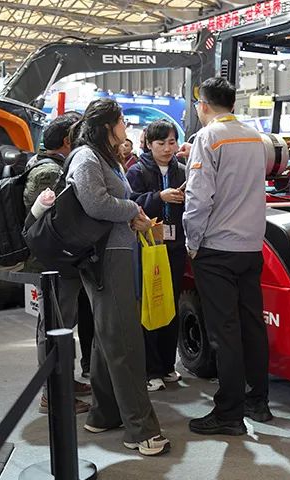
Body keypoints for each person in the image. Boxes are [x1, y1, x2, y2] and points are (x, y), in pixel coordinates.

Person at [65, 98, 170, 456]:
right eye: (122, 120)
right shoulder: (86, 158)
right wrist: (132, 208)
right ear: (107, 127)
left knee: (109, 334)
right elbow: (95, 202)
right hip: (106, 256)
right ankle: (141, 431)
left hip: (115, 252)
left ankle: (104, 413)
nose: (126, 126)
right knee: (125, 339)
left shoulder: (103, 157)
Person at [183, 77, 271, 435]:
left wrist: (192, 241)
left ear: (203, 106)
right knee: (252, 325)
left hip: (217, 248)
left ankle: (229, 414)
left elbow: (198, 199)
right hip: (251, 247)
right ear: (232, 104)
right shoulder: (255, 137)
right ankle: (257, 401)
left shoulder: (208, 138)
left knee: (224, 331)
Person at [23, 112, 93, 414]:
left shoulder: (40, 164)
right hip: (54, 261)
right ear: (67, 140)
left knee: (60, 323)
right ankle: (52, 393)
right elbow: (58, 219)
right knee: (54, 326)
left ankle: (65, 382)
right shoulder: (50, 173)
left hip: (54, 259)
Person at [126, 120, 186, 392]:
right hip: (147, 247)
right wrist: (159, 197)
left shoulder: (182, 170)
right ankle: (150, 369)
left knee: (171, 305)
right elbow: (131, 203)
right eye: (161, 143)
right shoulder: (136, 171)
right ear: (149, 144)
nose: (167, 148)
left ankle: (167, 365)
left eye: (171, 142)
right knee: (150, 305)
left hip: (175, 247)